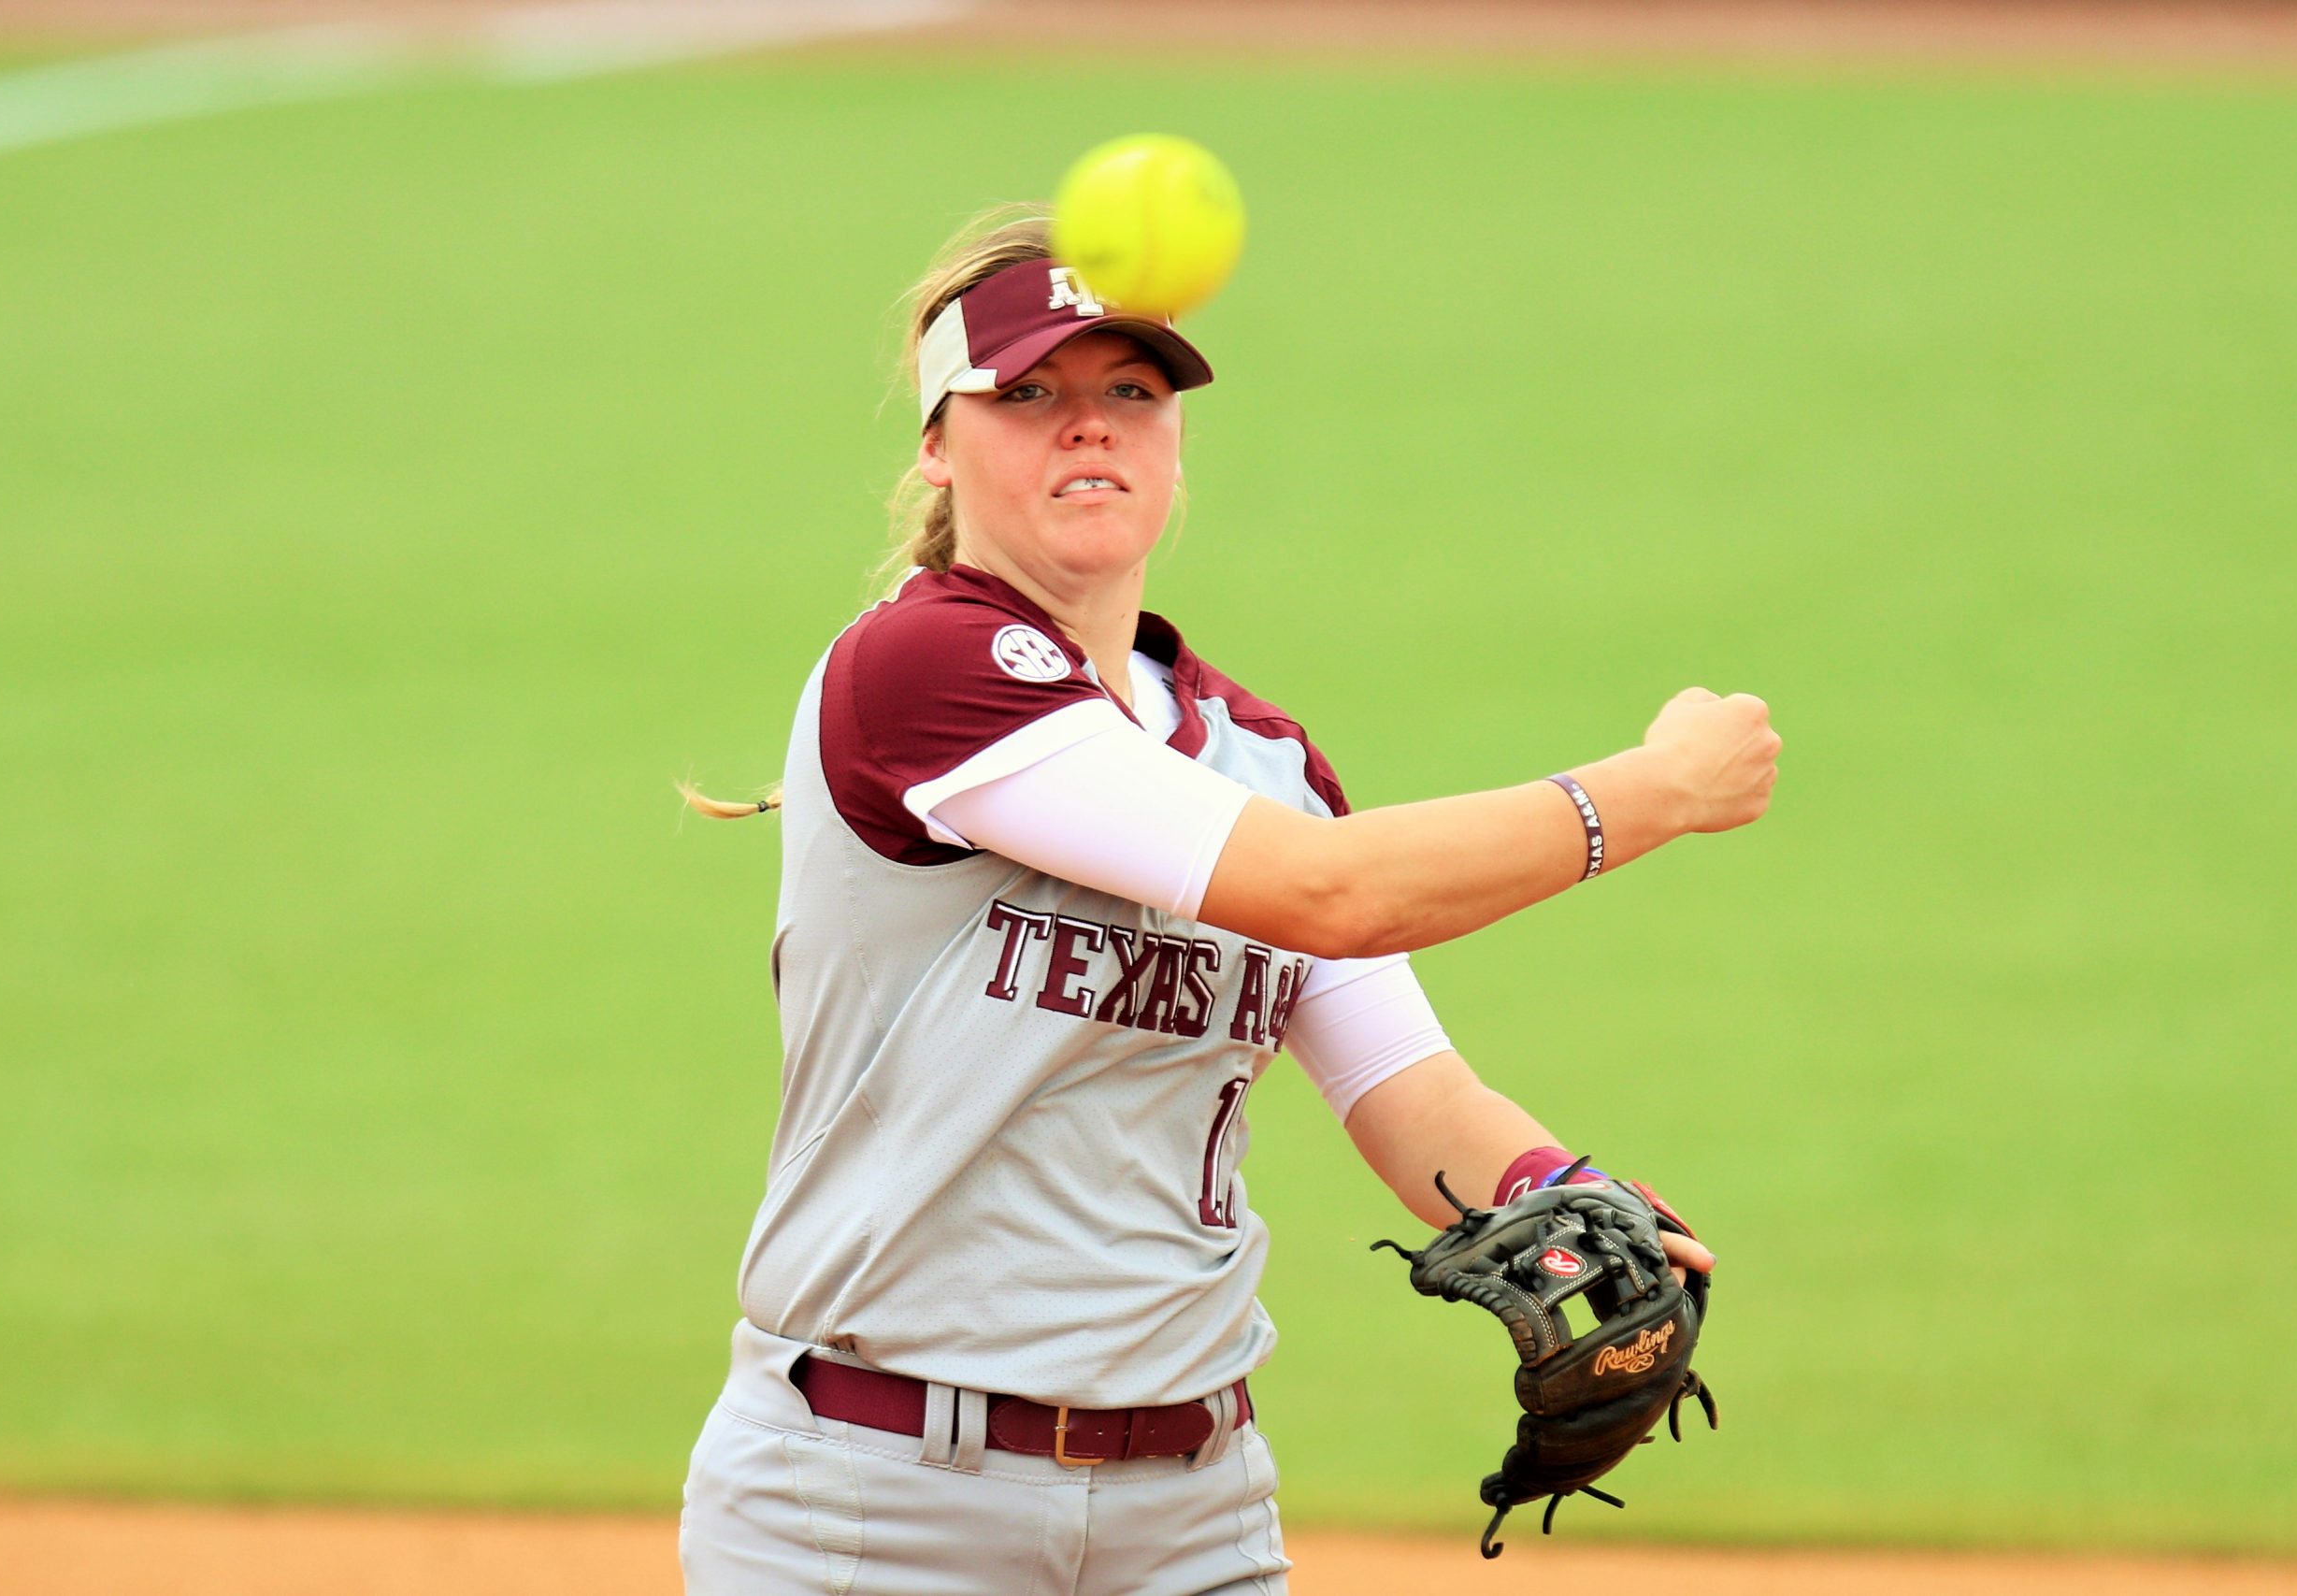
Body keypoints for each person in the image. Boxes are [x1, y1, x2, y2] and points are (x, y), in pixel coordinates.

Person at [675, 209, 1779, 1596]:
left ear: (1175, 441)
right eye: (1026, 395)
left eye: (1129, 393)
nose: (1088, 427)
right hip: (881, 1508)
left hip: (1194, 1516)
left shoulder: (1253, 754)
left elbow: (1409, 1088)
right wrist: (1654, 791)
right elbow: (1335, 895)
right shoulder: (924, 672)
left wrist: (1556, 1190)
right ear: (938, 448)